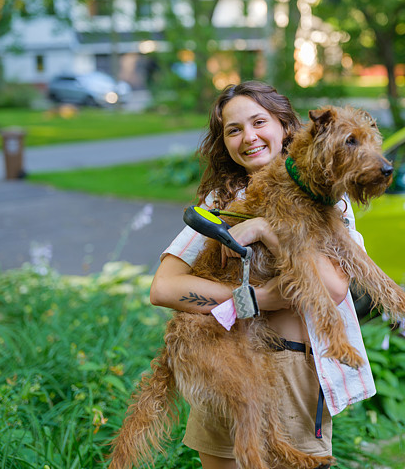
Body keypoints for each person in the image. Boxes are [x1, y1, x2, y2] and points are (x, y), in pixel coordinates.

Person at [149, 81, 373, 469]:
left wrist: (266, 229)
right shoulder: (220, 202)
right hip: (225, 362)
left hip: (292, 369)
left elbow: (335, 287)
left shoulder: (327, 196)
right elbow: (164, 287)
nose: (248, 137)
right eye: (233, 130)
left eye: (258, 122)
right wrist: (255, 300)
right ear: (224, 143)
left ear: (286, 127)